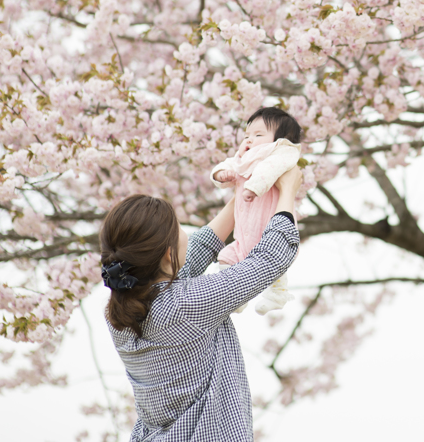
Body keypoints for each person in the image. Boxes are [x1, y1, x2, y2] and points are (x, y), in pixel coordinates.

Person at [99, 166, 302, 442]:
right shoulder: (184, 306)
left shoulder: (121, 310)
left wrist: (245, 195)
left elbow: (197, 251)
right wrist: (288, 190)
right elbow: (270, 259)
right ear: (169, 255)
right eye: (179, 228)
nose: (185, 233)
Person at [210, 107, 302, 314]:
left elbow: (269, 169)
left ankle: (277, 295)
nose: (249, 140)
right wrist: (221, 174)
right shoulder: (244, 157)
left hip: (270, 229)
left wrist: (254, 187)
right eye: (246, 136)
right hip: (243, 234)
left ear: (281, 139)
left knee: (275, 264)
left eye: (258, 135)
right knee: (226, 258)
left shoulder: (282, 152)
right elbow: (227, 164)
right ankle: (236, 296)